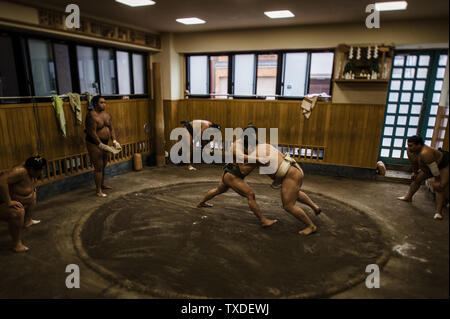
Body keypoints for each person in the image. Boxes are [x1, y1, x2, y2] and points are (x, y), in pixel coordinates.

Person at [197, 126, 321, 235]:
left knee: (289, 203)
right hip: (292, 170)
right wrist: (255, 161)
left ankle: (311, 223)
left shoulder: (255, 151)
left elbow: (246, 169)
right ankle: (265, 220)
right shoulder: (261, 146)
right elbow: (244, 168)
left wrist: (255, 161)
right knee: (249, 194)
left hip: (288, 174)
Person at [0, 156, 47, 252]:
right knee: (18, 212)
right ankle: (16, 244)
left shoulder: (29, 171)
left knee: (33, 194)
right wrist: (8, 201)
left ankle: (28, 221)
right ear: (31, 169)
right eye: (39, 170)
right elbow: (2, 181)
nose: (41, 172)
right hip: (1, 202)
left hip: (15, 199)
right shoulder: (20, 171)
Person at [398, 135, 449, 220]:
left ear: (419, 145)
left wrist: (437, 180)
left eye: (411, 145)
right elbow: (414, 163)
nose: (409, 147)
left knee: (439, 187)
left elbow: (434, 169)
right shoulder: (410, 151)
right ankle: (408, 197)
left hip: (443, 165)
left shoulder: (425, 153)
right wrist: (415, 172)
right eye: (408, 145)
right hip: (428, 167)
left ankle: (438, 213)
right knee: (416, 179)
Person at [85, 96, 122, 197]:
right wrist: (100, 144)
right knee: (98, 167)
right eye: (102, 102)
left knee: (104, 164)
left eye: (105, 102)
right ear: (96, 104)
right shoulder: (91, 116)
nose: (104, 104)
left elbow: (111, 128)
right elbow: (92, 132)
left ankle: (102, 184)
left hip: (105, 142)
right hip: (94, 143)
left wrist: (114, 141)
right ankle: (98, 190)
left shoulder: (106, 115)